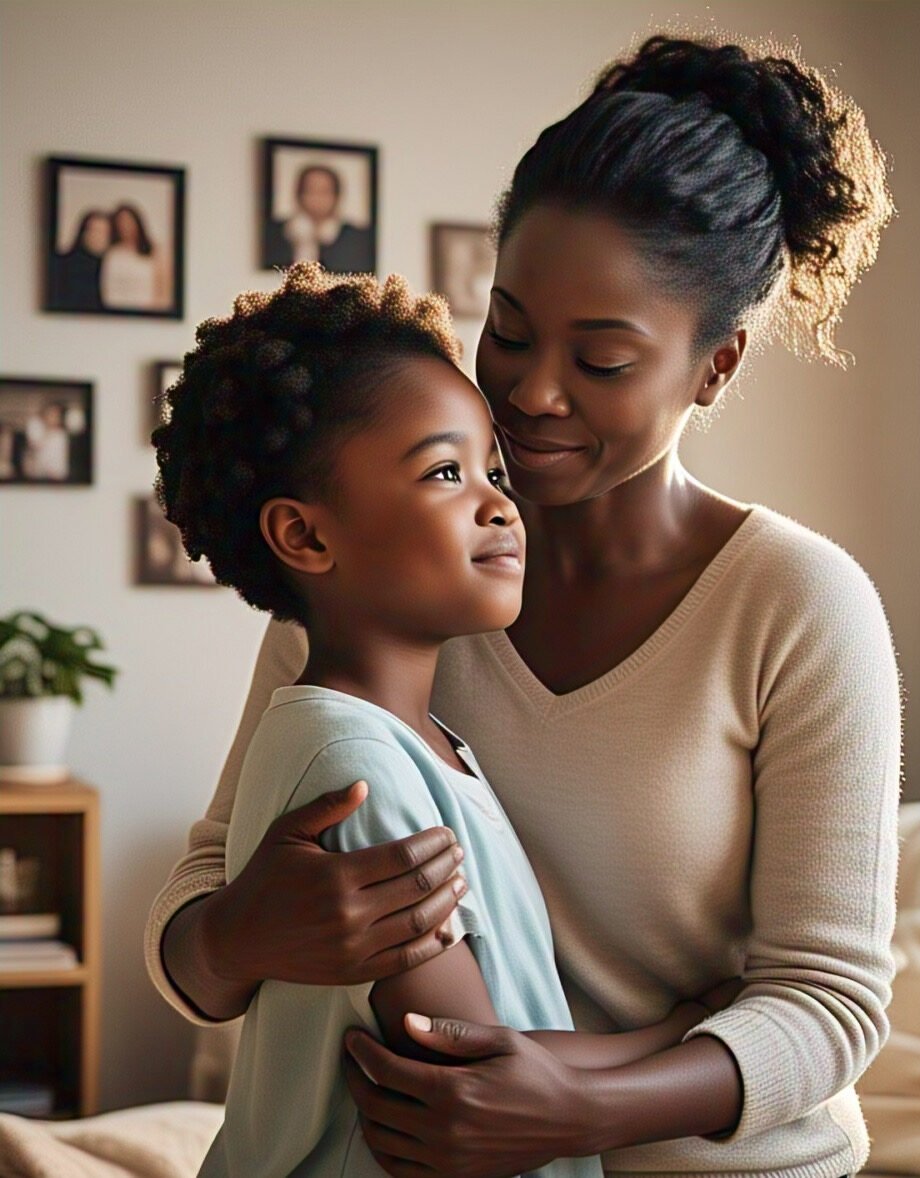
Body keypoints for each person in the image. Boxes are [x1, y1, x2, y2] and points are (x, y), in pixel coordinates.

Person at [147, 33, 902, 1178]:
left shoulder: (795, 605)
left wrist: (580, 1105)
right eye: (506, 329)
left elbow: (831, 1001)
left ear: (714, 365)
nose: (531, 393)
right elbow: (211, 890)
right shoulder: (380, 570)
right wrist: (244, 931)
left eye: (600, 360)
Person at [153, 262, 742, 1177]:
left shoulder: (425, 745)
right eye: (445, 472)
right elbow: (468, 1059)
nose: (501, 502)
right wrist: (671, 1034)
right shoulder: (351, 762)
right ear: (306, 537)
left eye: (493, 469)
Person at [264, 163, 374, 272]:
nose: (317, 198)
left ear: (336, 196)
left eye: (324, 191)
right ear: (299, 194)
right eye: (310, 190)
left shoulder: (357, 238)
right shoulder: (276, 231)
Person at [101, 204, 161, 310]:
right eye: (121, 223)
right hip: (117, 312)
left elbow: (161, 287)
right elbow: (107, 288)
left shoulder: (153, 251)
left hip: (148, 311)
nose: (125, 227)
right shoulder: (112, 253)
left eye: (129, 222)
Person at [49, 209, 111, 311]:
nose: (99, 237)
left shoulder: (111, 266)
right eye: (95, 230)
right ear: (83, 233)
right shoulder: (63, 263)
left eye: (105, 232)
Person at [21, 402, 70, 481]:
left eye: (56, 415)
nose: (53, 417)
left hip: (57, 475)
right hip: (40, 474)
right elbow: (34, 446)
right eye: (50, 414)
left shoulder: (61, 435)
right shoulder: (39, 430)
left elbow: (61, 460)